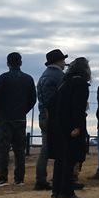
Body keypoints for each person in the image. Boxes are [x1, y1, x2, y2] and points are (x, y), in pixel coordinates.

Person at [47, 56, 91, 198]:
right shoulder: (80, 83)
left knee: (60, 159)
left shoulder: (65, 82)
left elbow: (52, 103)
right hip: (71, 125)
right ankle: (67, 191)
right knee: (70, 159)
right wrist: (77, 126)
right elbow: (78, 107)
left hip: (58, 124)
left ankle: (57, 190)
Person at [0, 52, 36, 187]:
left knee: (3, 149)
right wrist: (23, 110)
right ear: (20, 62)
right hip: (20, 118)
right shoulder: (28, 79)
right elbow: (33, 99)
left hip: (4, 119)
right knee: (20, 150)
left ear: (8, 63)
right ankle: (19, 179)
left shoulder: (3, 78)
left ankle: (2, 178)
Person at [33, 49, 67, 190]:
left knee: (45, 149)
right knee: (62, 148)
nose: (64, 63)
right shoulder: (59, 76)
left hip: (43, 115)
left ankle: (40, 178)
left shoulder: (43, 76)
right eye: (63, 60)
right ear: (59, 61)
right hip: (55, 116)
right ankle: (60, 177)